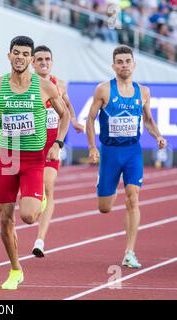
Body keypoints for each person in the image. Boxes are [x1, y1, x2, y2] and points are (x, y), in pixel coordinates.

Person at [0, 36, 70, 290]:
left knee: (29, 216)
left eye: (25, 54)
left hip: (33, 159)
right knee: (5, 218)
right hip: (7, 158)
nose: (20, 57)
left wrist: (57, 144)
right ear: (9, 56)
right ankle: (15, 269)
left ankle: (38, 199)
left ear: (31, 59)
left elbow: (65, 116)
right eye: (15, 53)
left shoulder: (45, 87)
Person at [86, 44, 167, 269]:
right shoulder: (103, 90)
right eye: (119, 62)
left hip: (133, 152)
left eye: (127, 61)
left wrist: (158, 136)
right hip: (110, 153)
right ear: (113, 66)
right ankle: (102, 184)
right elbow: (90, 119)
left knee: (133, 196)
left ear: (134, 64)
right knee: (104, 207)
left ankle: (129, 252)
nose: (124, 65)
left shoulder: (143, 91)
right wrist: (92, 147)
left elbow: (148, 119)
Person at [31, 45, 84, 257]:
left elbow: (67, 105)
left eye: (47, 59)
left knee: (48, 185)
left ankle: (40, 240)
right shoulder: (28, 84)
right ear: (32, 63)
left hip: (52, 145)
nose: (44, 62)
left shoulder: (59, 84)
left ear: (52, 62)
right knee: (32, 193)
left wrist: (73, 120)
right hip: (31, 144)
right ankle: (35, 199)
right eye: (40, 59)